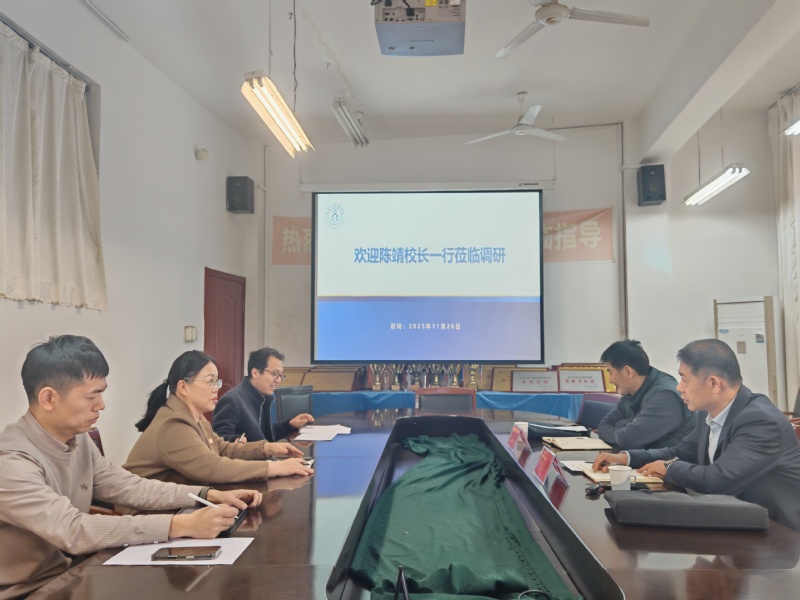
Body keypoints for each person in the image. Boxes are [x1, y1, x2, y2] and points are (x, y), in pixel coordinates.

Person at [0, 335, 264, 599]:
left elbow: (127, 485)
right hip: (25, 591)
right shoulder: (11, 461)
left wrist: (206, 495)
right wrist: (179, 524)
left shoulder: (78, 439)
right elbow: (72, 529)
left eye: (102, 393)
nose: (101, 405)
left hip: (67, 576)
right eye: (92, 395)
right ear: (48, 398)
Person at [593, 339, 800, 531]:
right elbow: (680, 452)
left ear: (714, 384)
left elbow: (718, 479)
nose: (679, 387)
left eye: (684, 379)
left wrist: (669, 468)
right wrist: (626, 458)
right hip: (734, 520)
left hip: (779, 534)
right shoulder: (707, 413)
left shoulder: (760, 421)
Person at [123, 350, 313, 487]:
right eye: (210, 381)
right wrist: (274, 467)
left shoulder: (195, 418)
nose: (216, 388)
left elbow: (222, 449)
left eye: (217, 381)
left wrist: (266, 448)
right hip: (147, 514)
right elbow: (212, 467)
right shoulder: (173, 424)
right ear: (183, 387)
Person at [596, 340, 695, 450]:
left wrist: (623, 426)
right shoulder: (631, 393)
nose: (610, 380)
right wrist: (628, 427)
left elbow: (629, 440)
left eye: (610, 373)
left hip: (670, 460)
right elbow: (604, 425)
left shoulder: (664, 396)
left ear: (628, 372)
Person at [212, 347, 314, 443]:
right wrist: (237, 440)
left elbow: (264, 436)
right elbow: (220, 439)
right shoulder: (232, 400)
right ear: (255, 373)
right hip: (249, 457)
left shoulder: (264, 396)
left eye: (280, 375)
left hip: (263, 455)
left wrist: (290, 424)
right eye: (274, 374)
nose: (278, 380)